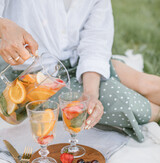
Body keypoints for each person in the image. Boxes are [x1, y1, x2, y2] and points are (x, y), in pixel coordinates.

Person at [0, 0, 160, 142]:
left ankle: (111, 73)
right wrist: (5, 26)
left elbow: (95, 43)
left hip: (79, 63)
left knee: (150, 85)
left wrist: (90, 94)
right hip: (33, 79)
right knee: (134, 108)